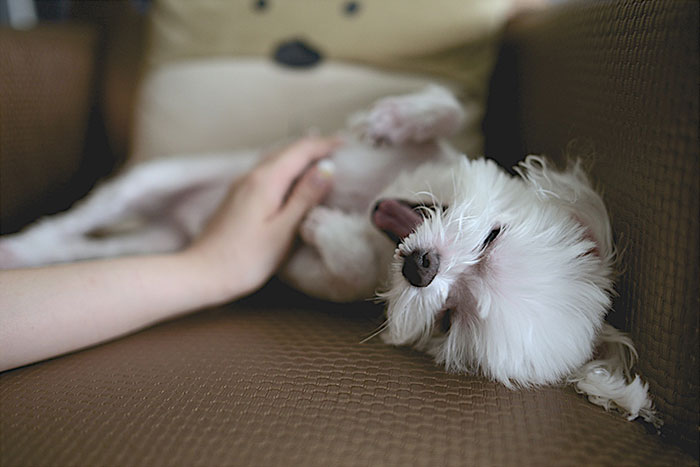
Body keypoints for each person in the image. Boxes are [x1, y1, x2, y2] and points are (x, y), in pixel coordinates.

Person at [0, 137, 339, 373]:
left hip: (195, 244)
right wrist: (211, 269)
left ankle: (39, 247)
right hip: (216, 229)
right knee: (140, 190)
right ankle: (39, 244)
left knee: (124, 243)